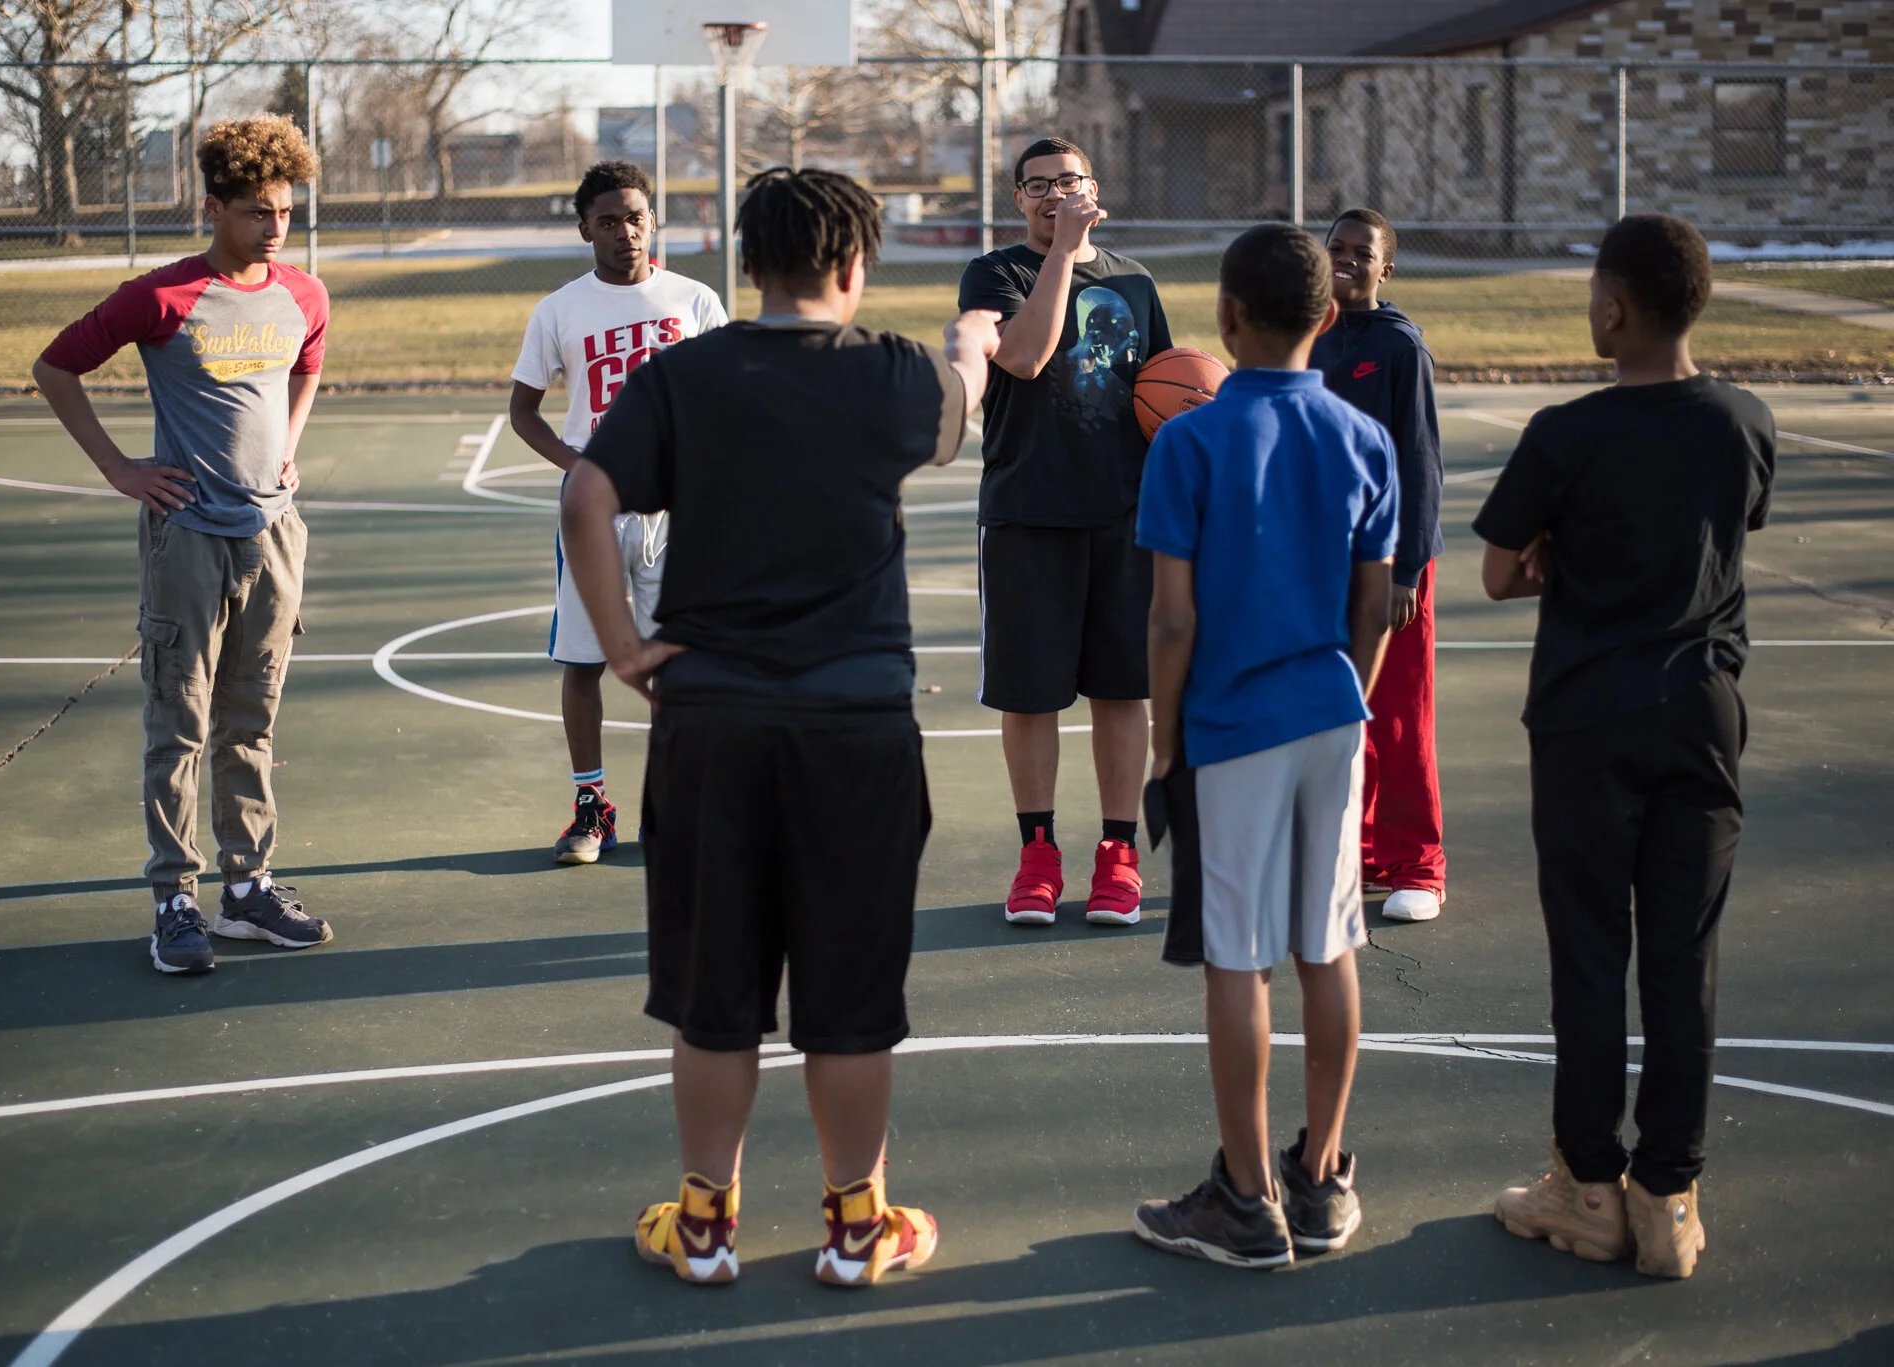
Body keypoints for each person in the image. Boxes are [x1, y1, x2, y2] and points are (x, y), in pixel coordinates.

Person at [560, 166, 996, 1288]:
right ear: (855, 265)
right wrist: (973, 342)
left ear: (748, 264)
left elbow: (584, 497)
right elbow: (961, 408)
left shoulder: (682, 375)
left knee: (715, 993)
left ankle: (705, 1223)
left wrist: (625, 648)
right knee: (850, 998)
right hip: (855, 724)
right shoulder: (894, 372)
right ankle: (856, 1226)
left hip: (712, 720)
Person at [1475, 214, 1773, 1279]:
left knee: (1592, 955)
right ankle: (1668, 1201)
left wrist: (1560, 555)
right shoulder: (1741, 419)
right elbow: (1722, 535)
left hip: (1585, 717)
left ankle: (1587, 1187)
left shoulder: (1565, 432)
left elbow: (1498, 572)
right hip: (1700, 712)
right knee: (1684, 957)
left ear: (1611, 308)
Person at [1130, 223, 1396, 1270]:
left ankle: (1245, 1201)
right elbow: (1374, 602)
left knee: (1237, 959)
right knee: (1327, 945)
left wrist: (1164, 743)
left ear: (1225, 314)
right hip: (1331, 714)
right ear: (1328, 317)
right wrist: (1349, 695)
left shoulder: (1185, 443)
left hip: (1232, 727)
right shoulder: (1363, 437)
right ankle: (1320, 1178)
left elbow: (1171, 620)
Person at [32, 115, 332, 976]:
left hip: (274, 537)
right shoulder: (161, 297)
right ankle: (175, 898)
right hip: (188, 538)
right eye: (257, 211)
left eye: (286, 211)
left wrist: (288, 447)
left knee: (252, 720)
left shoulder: (305, 294)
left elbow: (307, 365)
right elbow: (55, 367)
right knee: (180, 723)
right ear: (214, 208)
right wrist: (118, 467)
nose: (275, 227)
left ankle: (247, 889)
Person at [957, 136, 1173, 929]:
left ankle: (1119, 853)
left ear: (1093, 187)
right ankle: (1038, 855)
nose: (1054, 194)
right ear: (1017, 199)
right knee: (1031, 694)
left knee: (1122, 691)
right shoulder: (995, 274)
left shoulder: (1135, 281)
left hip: (1124, 515)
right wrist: (1063, 256)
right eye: (1038, 185)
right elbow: (1023, 355)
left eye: (1068, 181)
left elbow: (1163, 389)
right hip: (1028, 513)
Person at [509, 160, 727, 865]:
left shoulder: (695, 300)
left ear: (652, 221)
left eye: (635, 218)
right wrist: (580, 468)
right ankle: (591, 808)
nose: (625, 232)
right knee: (584, 661)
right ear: (585, 230)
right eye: (608, 221)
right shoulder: (560, 309)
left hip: (676, 512)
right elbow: (523, 411)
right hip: (595, 515)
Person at [1313, 208, 1448, 923]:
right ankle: (1359, 850)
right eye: (1335, 247)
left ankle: (1417, 863)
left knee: (1398, 716)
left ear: (1385, 269)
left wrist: (1407, 570)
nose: (1345, 258)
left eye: (1361, 252)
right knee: (1335, 710)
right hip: (1318, 559)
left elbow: (1420, 466)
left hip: (1386, 562)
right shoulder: (1307, 338)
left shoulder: (1399, 347)